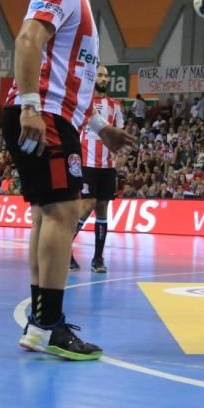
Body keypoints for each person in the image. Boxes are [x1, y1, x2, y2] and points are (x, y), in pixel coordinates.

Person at [3, 0, 134, 360]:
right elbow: (27, 41)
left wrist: (100, 127)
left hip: (58, 116)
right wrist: (28, 106)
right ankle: (50, 326)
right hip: (45, 115)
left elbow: (70, 81)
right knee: (62, 212)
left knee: (47, 214)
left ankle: (41, 320)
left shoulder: (82, 6)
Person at [70, 64, 126, 273]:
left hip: (107, 165)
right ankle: (65, 247)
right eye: (100, 75)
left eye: (106, 76)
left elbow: (119, 133)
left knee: (102, 208)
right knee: (87, 204)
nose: (104, 78)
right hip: (86, 163)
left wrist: (120, 155)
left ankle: (98, 259)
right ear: (93, 78)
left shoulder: (116, 105)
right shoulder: (82, 103)